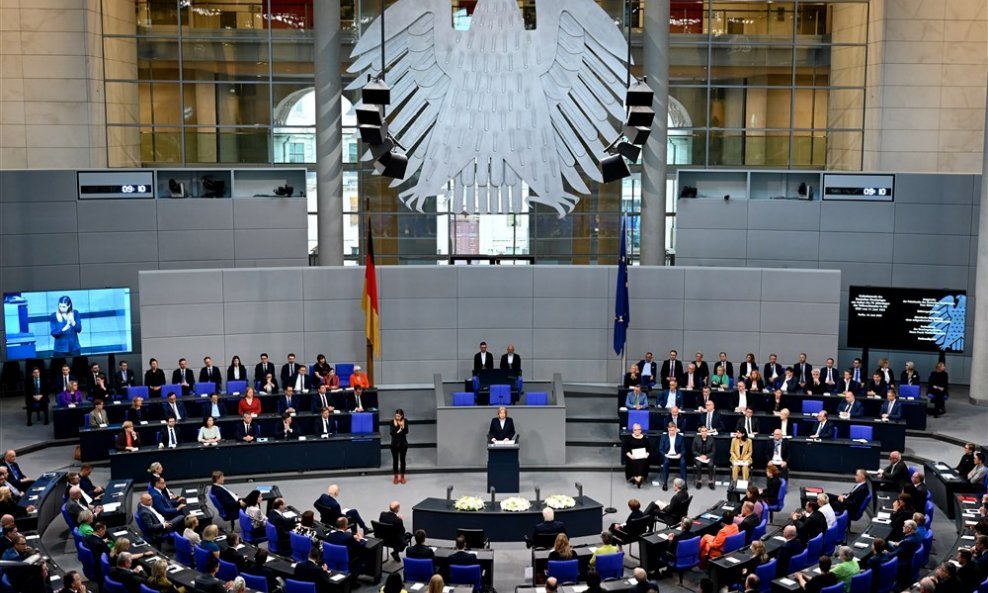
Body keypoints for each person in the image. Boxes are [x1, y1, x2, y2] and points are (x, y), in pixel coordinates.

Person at [622, 423, 651, 488]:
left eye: (638, 430)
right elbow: (626, 449)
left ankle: (639, 477)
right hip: (632, 456)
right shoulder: (628, 438)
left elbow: (648, 449)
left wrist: (646, 454)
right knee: (633, 461)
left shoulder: (645, 438)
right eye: (635, 430)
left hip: (642, 456)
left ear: (641, 430)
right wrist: (630, 456)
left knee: (644, 461)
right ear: (633, 430)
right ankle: (636, 478)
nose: (637, 431)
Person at [660, 423, 687, 490]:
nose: (671, 432)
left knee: (683, 462)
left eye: (673, 430)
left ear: (676, 429)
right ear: (668, 430)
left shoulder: (680, 437)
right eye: (670, 430)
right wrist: (665, 454)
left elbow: (683, 450)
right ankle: (665, 483)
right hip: (668, 455)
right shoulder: (664, 437)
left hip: (677, 455)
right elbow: (660, 449)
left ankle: (684, 484)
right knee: (665, 463)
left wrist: (680, 454)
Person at [390, 409, 409, 484]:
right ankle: (395, 477)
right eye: (396, 415)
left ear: (402, 416)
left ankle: (402, 477)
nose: (397, 417)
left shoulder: (405, 421)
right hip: (394, 445)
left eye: (398, 416)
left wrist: (402, 428)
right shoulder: (392, 422)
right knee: (395, 461)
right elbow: (392, 433)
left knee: (403, 461)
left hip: (403, 444)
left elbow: (406, 431)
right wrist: (399, 430)